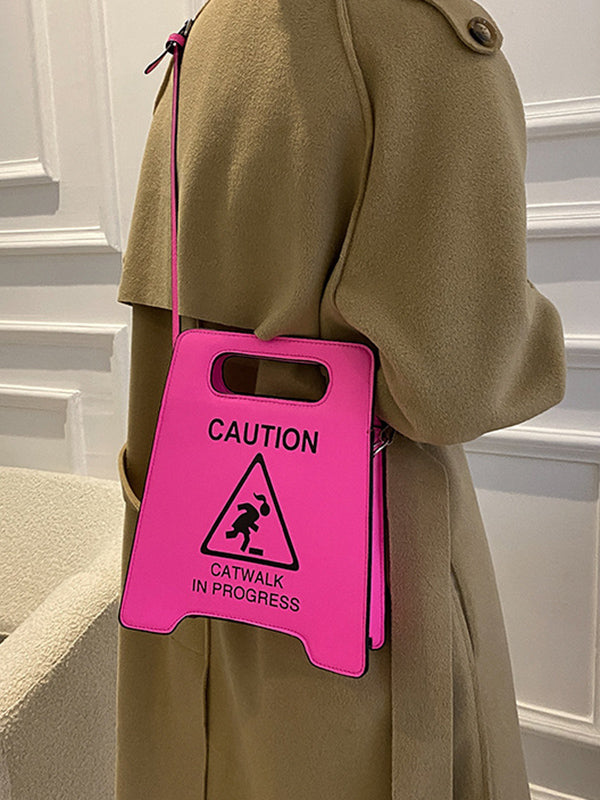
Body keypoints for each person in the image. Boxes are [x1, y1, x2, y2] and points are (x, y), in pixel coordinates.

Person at [114, 1, 567, 798]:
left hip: (187, 583)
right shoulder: (415, 37)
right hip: (366, 617)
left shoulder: (205, 34)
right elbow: (460, 382)